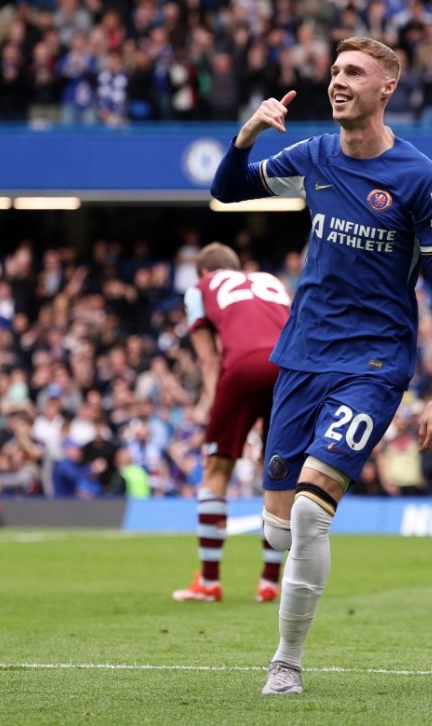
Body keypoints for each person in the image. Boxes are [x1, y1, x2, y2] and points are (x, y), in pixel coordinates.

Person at [210, 36, 432, 696]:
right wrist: (247, 134)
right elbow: (228, 192)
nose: (337, 80)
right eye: (333, 70)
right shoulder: (314, 157)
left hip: (373, 363)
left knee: (310, 513)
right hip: (300, 357)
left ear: (387, 88)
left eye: (354, 71)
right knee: (275, 524)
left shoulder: (420, 179)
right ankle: (293, 601)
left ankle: (285, 662)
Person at [172, 242, 291, 605]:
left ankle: (209, 582)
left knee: (217, 469)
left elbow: (209, 360)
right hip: (290, 367)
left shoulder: (201, 288)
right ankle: (270, 582)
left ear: (205, 273)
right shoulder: (272, 281)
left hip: (242, 366)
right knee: (279, 473)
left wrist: (213, 404)